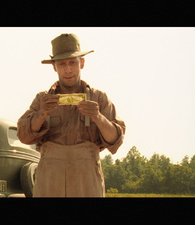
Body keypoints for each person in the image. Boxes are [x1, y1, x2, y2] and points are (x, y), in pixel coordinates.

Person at [17, 33, 126, 197]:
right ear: (54, 66)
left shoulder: (99, 98)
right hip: (50, 177)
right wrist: (42, 114)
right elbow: (24, 136)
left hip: (87, 177)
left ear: (82, 63)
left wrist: (97, 117)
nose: (68, 70)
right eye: (62, 64)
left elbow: (115, 142)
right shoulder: (42, 99)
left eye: (72, 63)